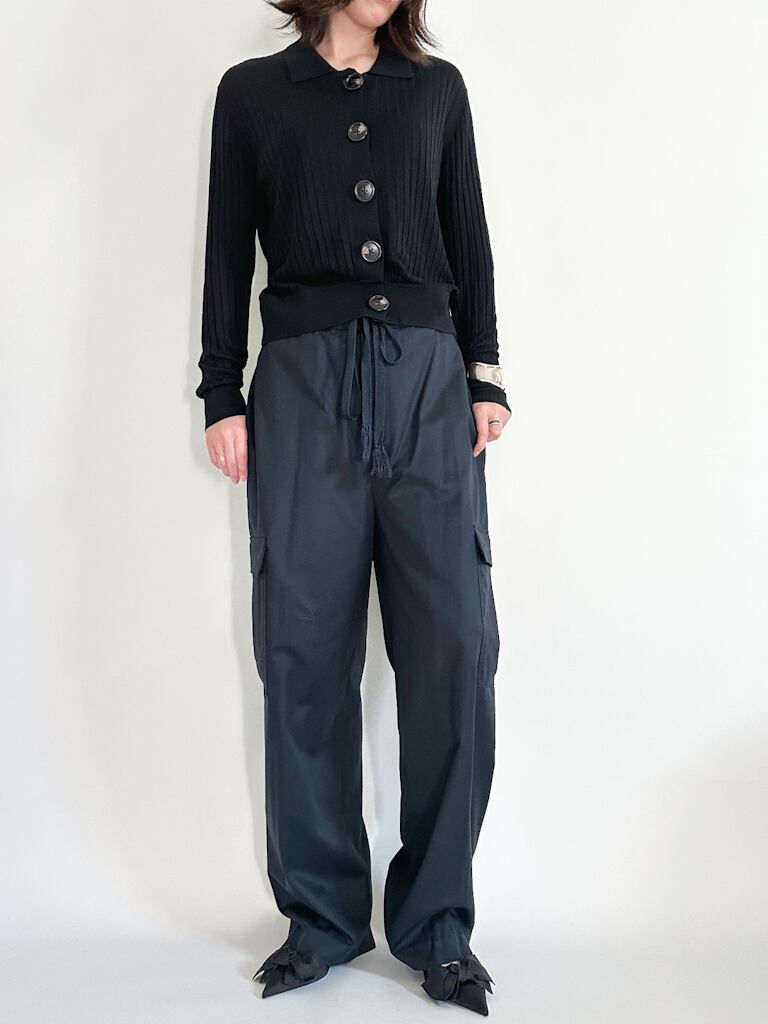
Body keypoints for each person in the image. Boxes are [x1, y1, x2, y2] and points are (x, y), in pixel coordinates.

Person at [195, 0, 510, 1014]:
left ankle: (439, 926)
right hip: (300, 388)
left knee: (455, 648)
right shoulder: (254, 94)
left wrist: (484, 372)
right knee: (302, 652)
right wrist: (221, 391)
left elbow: (468, 234)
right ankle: (322, 920)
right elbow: (226, 250)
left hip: (427, 385)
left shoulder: (437, 90)